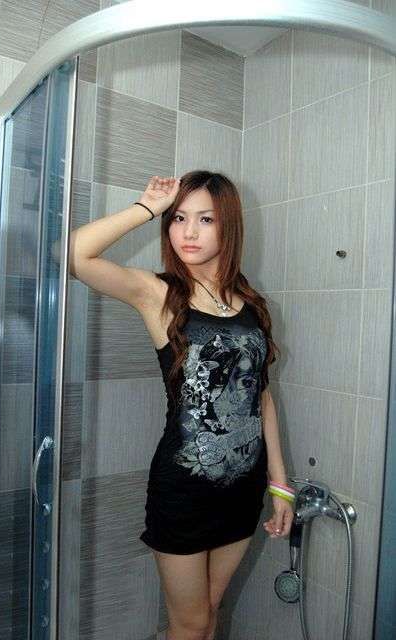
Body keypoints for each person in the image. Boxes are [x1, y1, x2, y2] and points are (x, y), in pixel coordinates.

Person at [68, 170, 294, 640]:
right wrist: (147, 208)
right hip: (184, 493)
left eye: (205, 219)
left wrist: (280, 484)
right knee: (189, 624)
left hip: (243, 490)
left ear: (228, 226)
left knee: (208, 612)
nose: (189, 231)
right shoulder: (159, 294)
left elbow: (261, 397)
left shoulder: (251, 304)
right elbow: (74, 255)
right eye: (178, 218)